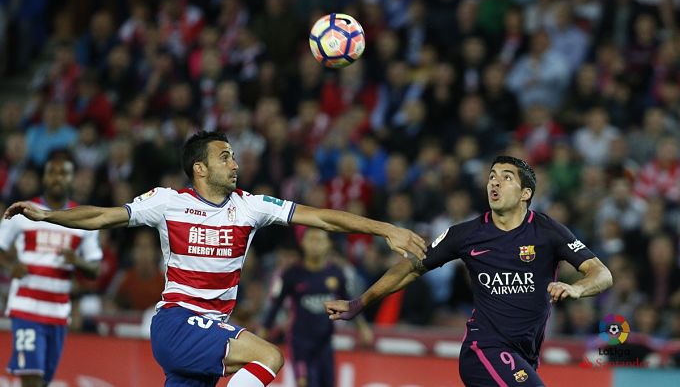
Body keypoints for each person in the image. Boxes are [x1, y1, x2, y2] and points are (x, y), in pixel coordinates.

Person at [4, 131, 425, 387]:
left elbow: (324, 218)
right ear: (200, 168)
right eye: (225, 156)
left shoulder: (251, 206)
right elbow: (102, 216)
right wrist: (47, 215)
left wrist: (385, 228)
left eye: (234, 156)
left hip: (209, 330)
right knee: (270, 357)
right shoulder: (167, 202)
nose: (235, 163)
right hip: (176, 321)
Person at [325, 156, 613, 386]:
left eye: (506, 177)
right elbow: (409, 269)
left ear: (525, 193)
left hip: (524, 356)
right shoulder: (466, 234)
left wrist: (577, 288)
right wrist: (360, 302)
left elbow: (602, 274)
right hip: (483, 350)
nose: (494, 182)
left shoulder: (548, 231)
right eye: (491, 176)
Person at [0, 152, 102, 387]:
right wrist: (10, 266)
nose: (57, 178)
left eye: (63, 173)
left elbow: (95, 269)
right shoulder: (23, 212)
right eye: (52, 172)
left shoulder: (82, 218)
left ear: (72, 178)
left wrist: (77, 262)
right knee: (31, 379)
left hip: (58, 311)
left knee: (44, 381)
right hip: (25, 306)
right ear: (44, 177)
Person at [260, 228, 372, 387]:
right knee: (305, 384)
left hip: (325, 343)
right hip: (300, 343)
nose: (315, 245)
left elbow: (349, 305)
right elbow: (275, 305)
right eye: (311, 240)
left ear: (328, 244)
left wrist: (363, 328)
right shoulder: (291, 274)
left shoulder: (336, 273)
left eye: (319, 240)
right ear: (303, 243)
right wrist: (264, 331)